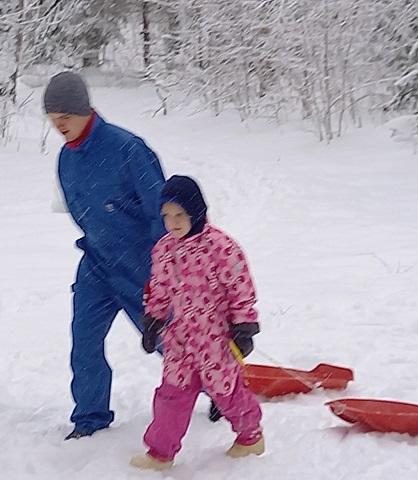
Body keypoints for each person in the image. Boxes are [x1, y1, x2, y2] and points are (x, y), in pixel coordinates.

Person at [43, 71, 166, 440]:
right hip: (96, 264)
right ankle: (90, 417)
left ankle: (222, 392)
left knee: (171, 342)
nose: (59, 125)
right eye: (53, 119)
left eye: (65, 116)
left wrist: (164, 270)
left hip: (141, 266)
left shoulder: (128, 149)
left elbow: (161, 212)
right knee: (84, 341)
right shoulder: (66, 159)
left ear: (84, 110)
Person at [130, 175, 264, 470]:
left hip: (216, 338)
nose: (173, 222)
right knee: (172, 393)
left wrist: (244, 326)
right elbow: (159, 288)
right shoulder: (164, 249)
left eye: (180, 214)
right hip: (180, 337)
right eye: (167, 215)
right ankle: (160, 453)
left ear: (195, 211)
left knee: (226, 391)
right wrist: (153, 319)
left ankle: (250, 436)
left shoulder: (221, 247)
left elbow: (240, 289)